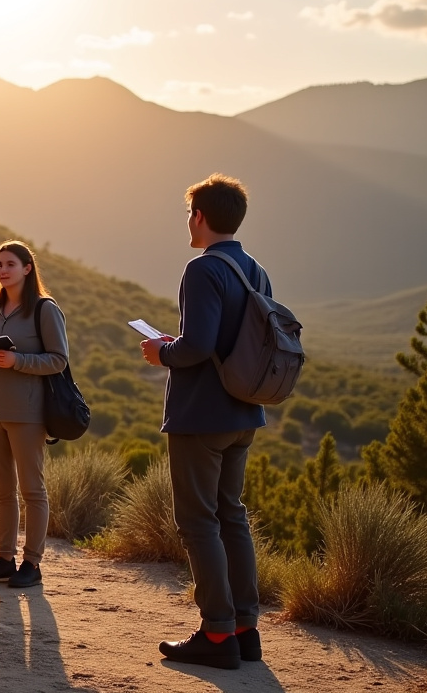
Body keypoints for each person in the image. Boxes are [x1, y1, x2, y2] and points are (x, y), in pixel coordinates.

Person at [140, 173, 267, 670]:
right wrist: (185, 342)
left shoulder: (202, 269)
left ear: (199, 216)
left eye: (188, 214)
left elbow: (196, 348)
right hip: (243, 412)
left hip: (201, 415)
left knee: (198, 522)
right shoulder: (255, 269)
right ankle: (244, 628)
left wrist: (161, 351)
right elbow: (230, 338)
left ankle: (215, 635)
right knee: (231, 515)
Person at [0, 241, 69, 589]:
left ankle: (32, 564)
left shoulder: (45, 309)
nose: (3, 270)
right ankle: (5, 558)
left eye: (10, 263)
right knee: (2, 491)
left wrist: (17, 361)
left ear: (27, 268)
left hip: (27, 413)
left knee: (32, 490)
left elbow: (58, 359)